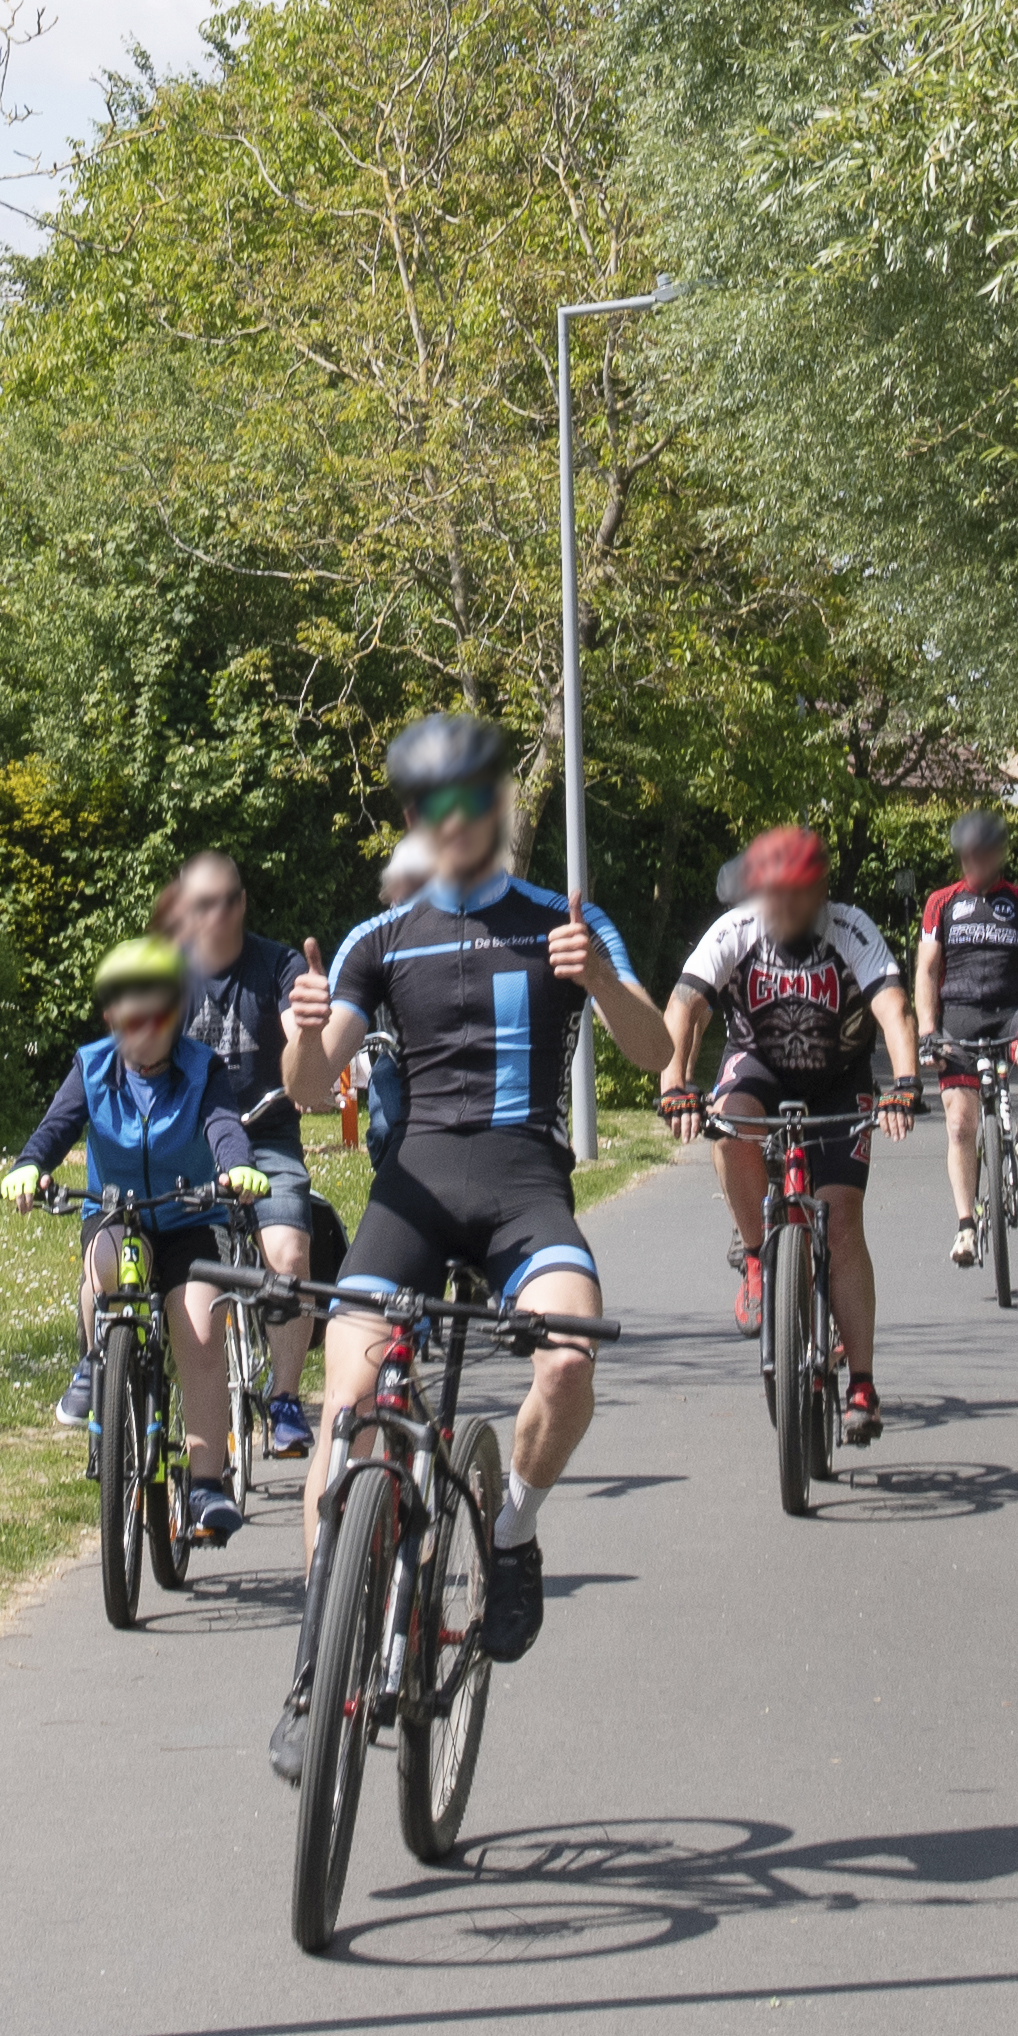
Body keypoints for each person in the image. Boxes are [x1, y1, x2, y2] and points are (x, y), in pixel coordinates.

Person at [282, 708, 665, 1661]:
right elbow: (304, 1087)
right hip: (411, 1190)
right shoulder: (381, 935)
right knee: (347, 1409)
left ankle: (513, 1527)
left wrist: (603, 984)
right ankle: (318, 1665)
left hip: (522, 1181)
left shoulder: (563, 920)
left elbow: (658, 1050)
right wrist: (302, 1028)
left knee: (570, 1359)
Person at [662, 820, 914, 1443]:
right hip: (759, 1066)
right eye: (773, 893)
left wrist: (905, 1081)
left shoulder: (851, 929)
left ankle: (861, 1384)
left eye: (798, 894)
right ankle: (755, 1256)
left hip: (838, 1077)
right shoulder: (736, 930)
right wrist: (675, 1082)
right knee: (730, 1125)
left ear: (819, 891)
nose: (783, 906)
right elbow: (686, 1005)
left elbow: (892, 1006)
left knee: (843, 1220)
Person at [1, 936, 258, 1543]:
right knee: (105, 1266)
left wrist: (236, 1165)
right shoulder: (91, 1067)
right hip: (116, 1213)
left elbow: (222, 1125)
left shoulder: (202, 1069)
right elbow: (57, 1127)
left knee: (198, 1333)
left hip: (187, 1217)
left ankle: (205, 1486)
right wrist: (30, 1165)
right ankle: (94, 1363)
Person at [150, 851, 338, 1460]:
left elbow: (298, 1040)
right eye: (205, 903)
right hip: (190, 1138)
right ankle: (132, 1379)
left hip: (264, 1136)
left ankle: (284, 1398)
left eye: (231, 898)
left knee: (289, 1253)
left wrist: (310, 1027)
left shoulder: (278, 964)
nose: (220, 913)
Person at [910, 808, 1018, 1263]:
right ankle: (965, 1226)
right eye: (967, 854)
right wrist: (928, 1034)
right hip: (957, 1018)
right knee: (960, 1126)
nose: (973, 861)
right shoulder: (942, 903)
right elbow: (926, 971)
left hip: (1008, 1014)